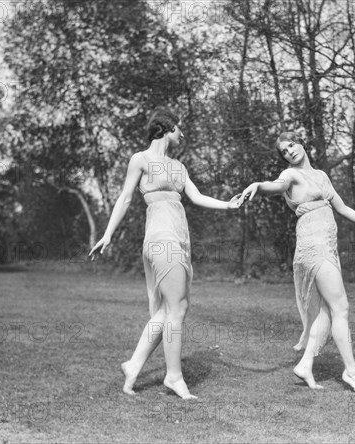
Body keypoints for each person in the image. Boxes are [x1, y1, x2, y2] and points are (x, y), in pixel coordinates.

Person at [89, 108, 241, 399]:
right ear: (167, 128)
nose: (182, 133)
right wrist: (108, 234)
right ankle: (173, 377)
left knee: (168, 309)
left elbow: (196, 197)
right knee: (178, 308)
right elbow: (125, 197)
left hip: (180, 239)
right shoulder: (141, 159)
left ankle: (133, 365)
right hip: (160, 238)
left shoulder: (179, 167)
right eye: (178, 128)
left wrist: (228, 205)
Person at [238, 132, 355, 395]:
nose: (289, 152)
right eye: (284, 151)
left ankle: (306, 364)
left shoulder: (321, 175)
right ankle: (351, 372)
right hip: (314, 246)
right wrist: (258, 184)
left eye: (291, 145)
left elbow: (343, 208)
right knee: (341, 307)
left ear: (302, 144)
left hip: (328, 245)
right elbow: (275, 184)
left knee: (325, 311)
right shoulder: (291, 175)